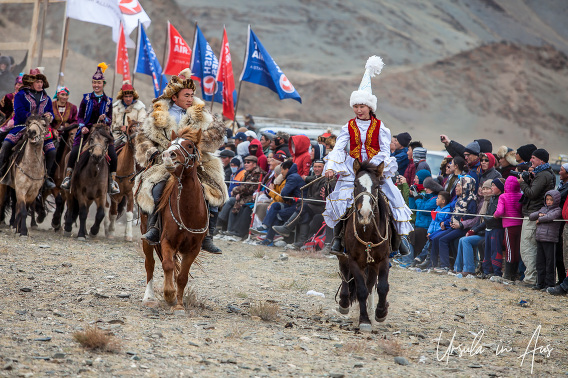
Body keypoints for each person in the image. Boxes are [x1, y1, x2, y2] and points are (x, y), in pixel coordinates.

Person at [323, 56, 413, 255]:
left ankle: (399, 240)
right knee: (342, 200)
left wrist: (371, 166)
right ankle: (338, 239)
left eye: (362, 106)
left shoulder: (381, 127)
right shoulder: (348, 126)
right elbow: (339, 147)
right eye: (356, 106)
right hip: (352, 169)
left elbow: (384, 150)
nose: (358, 110)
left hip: (375, 169)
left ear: (370, 107)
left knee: (393, 198)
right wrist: (330, 166)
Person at [134, 69, 228, 253]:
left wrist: (199, 140)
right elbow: (142, 137)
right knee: (156, 187)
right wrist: (151, 151)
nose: (190, 99)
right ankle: (154, 228)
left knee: (213, 189)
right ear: (174, 97)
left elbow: (217, 133)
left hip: (195, 161)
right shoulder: (156, 114)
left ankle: (208, 235)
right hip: (165, 161)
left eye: (192, 95)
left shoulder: (203, 114)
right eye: (186, 95)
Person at [61, 63, 118, 194]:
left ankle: (112, 181)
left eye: (99, 83)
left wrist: (106, 119)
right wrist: (82, 127)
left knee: (113, 155)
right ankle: (68, 177)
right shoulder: (86, 99)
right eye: (94, 82)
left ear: (103, 84)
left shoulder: (108, 101)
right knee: (74, 152)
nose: (96, 85)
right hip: (86, 131)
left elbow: (110, 119)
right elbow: (80, 116)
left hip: (103, 132)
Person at [0, 67, 55, 189]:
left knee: (52, 151)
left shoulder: (47, 98)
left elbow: (51, 112)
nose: (40, 84)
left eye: (41, 82)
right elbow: (19, 112)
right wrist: (33, 117)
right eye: (37, 81)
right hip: (21, 127)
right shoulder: (21, 95)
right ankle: (2, 170)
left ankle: (47, 178)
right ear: (31, 83)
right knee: (6, 145)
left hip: (41, 130)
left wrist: (50, 115)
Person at [517, 148, 556, 286]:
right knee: (531, 247)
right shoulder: (543, 173)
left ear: (541, 160)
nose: (531, 160)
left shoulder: (543, 175)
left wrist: (522, 182)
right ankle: (533, 278)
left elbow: (532, 193)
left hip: (533, 214)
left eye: (533, 158)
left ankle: (531, 278)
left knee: (528, 247)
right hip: (535, 213)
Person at [431, 176, 477, 272]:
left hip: (462, 228)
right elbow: (454, 214)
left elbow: (471, 218)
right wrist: (450, 222)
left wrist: (460, 223)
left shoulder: (471, 200)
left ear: (466, 186)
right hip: (453, 226)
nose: (456, 188)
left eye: (459, 186)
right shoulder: (460, 198)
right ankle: (433, 264)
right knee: (435, 238)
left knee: (443, 240)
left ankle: (445, 266)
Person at [253, 160, 304, 246]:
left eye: (282, 170)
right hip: (292, 204)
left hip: (298, 206)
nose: (281, 172)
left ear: (287, 169)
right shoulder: (290, 176)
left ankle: (270, 238)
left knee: (277, 213)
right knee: (275, 205)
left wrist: (272, 190)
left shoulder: (292, 177)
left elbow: (283, 194)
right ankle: (265, 226)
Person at [472, 178, 505, 278]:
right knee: (487, 251)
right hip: (488, 228)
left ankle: (496, 273)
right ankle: (486, 272)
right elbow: (488, 215)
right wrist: (475, 229)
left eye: (494, 186)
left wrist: (487, 219)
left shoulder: (501, 198)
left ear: (499, 188)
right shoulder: (492, 198)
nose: (492, 188)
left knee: (495, 251)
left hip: (497, 228)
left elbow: (497, 216)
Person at [226, 155, 265, 238]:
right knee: (233, 203)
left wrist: (235, 191)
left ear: (254, 164)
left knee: (241, 204)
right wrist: (239, 193)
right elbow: (244, 187)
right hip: (245, 195)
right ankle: (230, 230)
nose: (246, 164)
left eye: (248, 162)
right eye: (245, 162)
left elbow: (249, 188)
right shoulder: (248, 172)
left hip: (252, 196)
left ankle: (239, 232)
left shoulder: (257, 173)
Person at [530, 190, 562, 290]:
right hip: (540, 238)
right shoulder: (543, 209)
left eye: (551, 200)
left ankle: (549, 284)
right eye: (547, 199)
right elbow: (531, 216)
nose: (548, 202)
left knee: (549, 263)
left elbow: (550, 217)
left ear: (556, 200)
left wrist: (540, 219)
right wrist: (540, 215)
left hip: (550, 239)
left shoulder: (557, 210)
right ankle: (540, 283)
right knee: (540, 262)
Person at [494, 176, 523, 281]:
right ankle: (515, 273)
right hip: (520, 225)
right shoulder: (521, 195)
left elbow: (500, 211)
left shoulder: (503, 196)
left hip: (509, 226)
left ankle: (507, 274)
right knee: (517, 249)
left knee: (509, 250)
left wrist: (495, 215)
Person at [415, 191, 452, 268]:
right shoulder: (437, 209)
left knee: (430, 243)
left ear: (443, 201)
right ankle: (423, 259)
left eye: (438, 198)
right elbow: (433, 222)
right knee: (427, 244)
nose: (436, 199)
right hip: (433, 232)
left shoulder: (447, 210)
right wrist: (429, 232)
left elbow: (441, 223)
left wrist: (434, 232)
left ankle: (426, 260)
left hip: (440, 231)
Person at [50, 86, 78, 176]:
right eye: (62, 94)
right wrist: (53, 129)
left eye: (66, 95)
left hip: (66, 134)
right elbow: (47, 121)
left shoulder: (73, 107)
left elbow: (75, 121)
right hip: (53, 134)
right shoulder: (51, 106)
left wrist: (69, 126)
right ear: (58, 95)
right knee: (51, 151)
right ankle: (48, 173)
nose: (65, 97)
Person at [111, 81, 146, 149]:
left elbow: (142, 124)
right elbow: (111, 124)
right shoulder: (115, 108)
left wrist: (128, 129)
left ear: (133, 96)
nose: (128, 99)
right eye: (126, 96)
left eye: (130, 96)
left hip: (134, 138)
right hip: (116, 137)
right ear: (122, 97)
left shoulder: (140, 109)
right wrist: (118, 128)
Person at [0, 75, 23, 140]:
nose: (20, 87)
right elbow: (1, 111)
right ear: (15, 86)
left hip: (23, 126)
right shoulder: (8, 97)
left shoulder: (29, 99)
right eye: (18, 84)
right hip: (7, 125)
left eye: (22, 85)